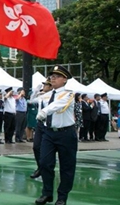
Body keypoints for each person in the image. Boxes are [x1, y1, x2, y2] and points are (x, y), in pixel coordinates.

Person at [35, 65, 77, 205]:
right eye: (52, 76)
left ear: (65, 80)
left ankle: (62, 197)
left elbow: (58, 105)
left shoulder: (69, 94)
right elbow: (34, 101)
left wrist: (45, 111)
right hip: (49, 133)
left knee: (67, 166)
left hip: (66, 133)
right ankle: (47, 193)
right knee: (45, 163)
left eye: (57, 76)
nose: (53, 78)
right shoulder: (46, 95)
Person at [28, 78, 52, 179]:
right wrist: (36, 91)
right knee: (36, 147)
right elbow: (30, 101)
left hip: (49, 124)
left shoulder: (54, 96)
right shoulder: (42, 96)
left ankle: (46, 169)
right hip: (40, 124)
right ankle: (40, 167)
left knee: (48, 150)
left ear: (50, 86)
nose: (44, 86)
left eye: (46, 85)